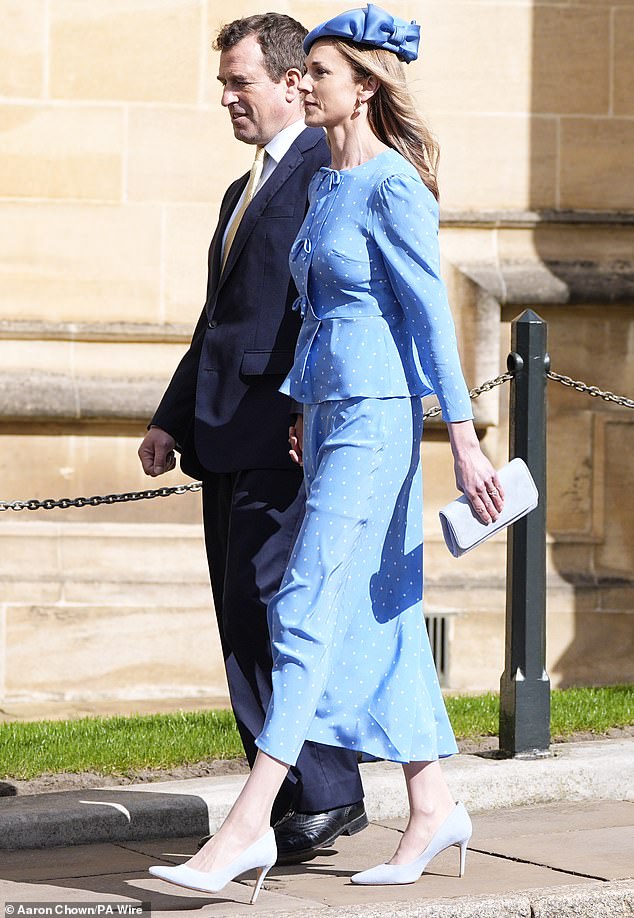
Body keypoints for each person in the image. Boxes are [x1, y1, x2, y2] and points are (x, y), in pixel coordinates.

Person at [149, 4, 505, 903]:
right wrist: (304, 402)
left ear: (366, 85)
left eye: (319, 73)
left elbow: (429, 321)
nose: (301, 84)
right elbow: (310, 314)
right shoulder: (322, 188)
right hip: (331, 415)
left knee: (305, 603)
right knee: (379, 618)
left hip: (382, 417)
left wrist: (462, 440)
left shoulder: (393, 188)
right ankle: (433, 806)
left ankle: (245, 827)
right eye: (298, 73)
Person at [138, 13, 367, 863]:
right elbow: (218, 322)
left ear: (288, 82)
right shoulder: (243, 191)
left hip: (287, 436)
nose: (228, 98)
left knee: (276, 610)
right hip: (223, 437)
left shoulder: (323, 170)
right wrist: (171, 415)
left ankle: (327, 792)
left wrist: (317, 404)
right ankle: (288, 801)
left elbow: (330, 304)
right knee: (242, 614)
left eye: (241, 82)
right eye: (224, 83)